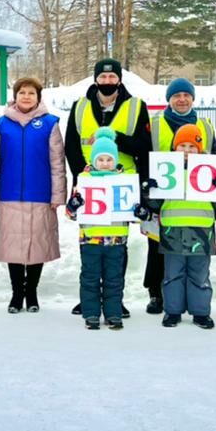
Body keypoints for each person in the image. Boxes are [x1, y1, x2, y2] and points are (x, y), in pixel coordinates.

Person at [65, 58, 150, 317]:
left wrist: (115, 139)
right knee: (90, 245)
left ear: (119, 80)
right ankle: (89, 298)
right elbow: (71, 145)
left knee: (117, 247)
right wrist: (83, 173)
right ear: (95, 79)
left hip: (122, 188)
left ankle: (115, 300)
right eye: (103, 77)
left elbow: (144, 146)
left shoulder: (136, 106)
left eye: (112, 77)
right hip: (90, 186)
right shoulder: (79, 106)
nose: (107, 82)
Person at [142, 123, 216, 330]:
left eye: (192, 146)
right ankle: (173, 311)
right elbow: (155, 204)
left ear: (200, 149)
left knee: (199, 275)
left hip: (201, 231)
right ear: (174, 148)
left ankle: (200, 313)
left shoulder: (208, 171)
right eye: (182, 146)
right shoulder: (166, 172)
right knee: (172, 274)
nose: (187, 151)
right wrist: (149, 191)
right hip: (173, 230)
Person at [0, 76, 65, 313]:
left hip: (40, 194)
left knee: (37, 246)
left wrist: (57, 195)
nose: (26, 96)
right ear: (15, 96)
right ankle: (16, 294)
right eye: (22, 92)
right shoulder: (2, 124)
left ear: (38, 97)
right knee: (13, 245)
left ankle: (31, 293)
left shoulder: (50, 123)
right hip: (10, 193)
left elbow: (57, 162)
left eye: (31, 93)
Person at [143, 78, 216, 313]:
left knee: (193, 250)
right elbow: (144, 156)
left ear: (193, 99)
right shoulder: (155, 124)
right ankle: (156, 294)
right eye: (176, 96)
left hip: (195, 200)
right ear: (169, 99)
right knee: (157, 247)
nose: (182, 99)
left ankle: (188, 297)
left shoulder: (205, 125)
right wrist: (148, 191)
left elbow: (213, 158)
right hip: (162, 197)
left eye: (186, 95)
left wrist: (214, 195)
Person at [66, 128, 141, 330]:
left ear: (115, 160)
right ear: (93, 160)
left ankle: (113, 313)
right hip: (90, 239)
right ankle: (91, 313)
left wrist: (139, 212)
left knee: (114, 279)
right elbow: (71, 213)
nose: (105, 163)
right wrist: (74, 204)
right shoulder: (84, 180)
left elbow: (133, 214)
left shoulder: (124, 181)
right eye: (101, 159)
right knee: (90, 278)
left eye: (109, 159)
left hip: (116, 240)